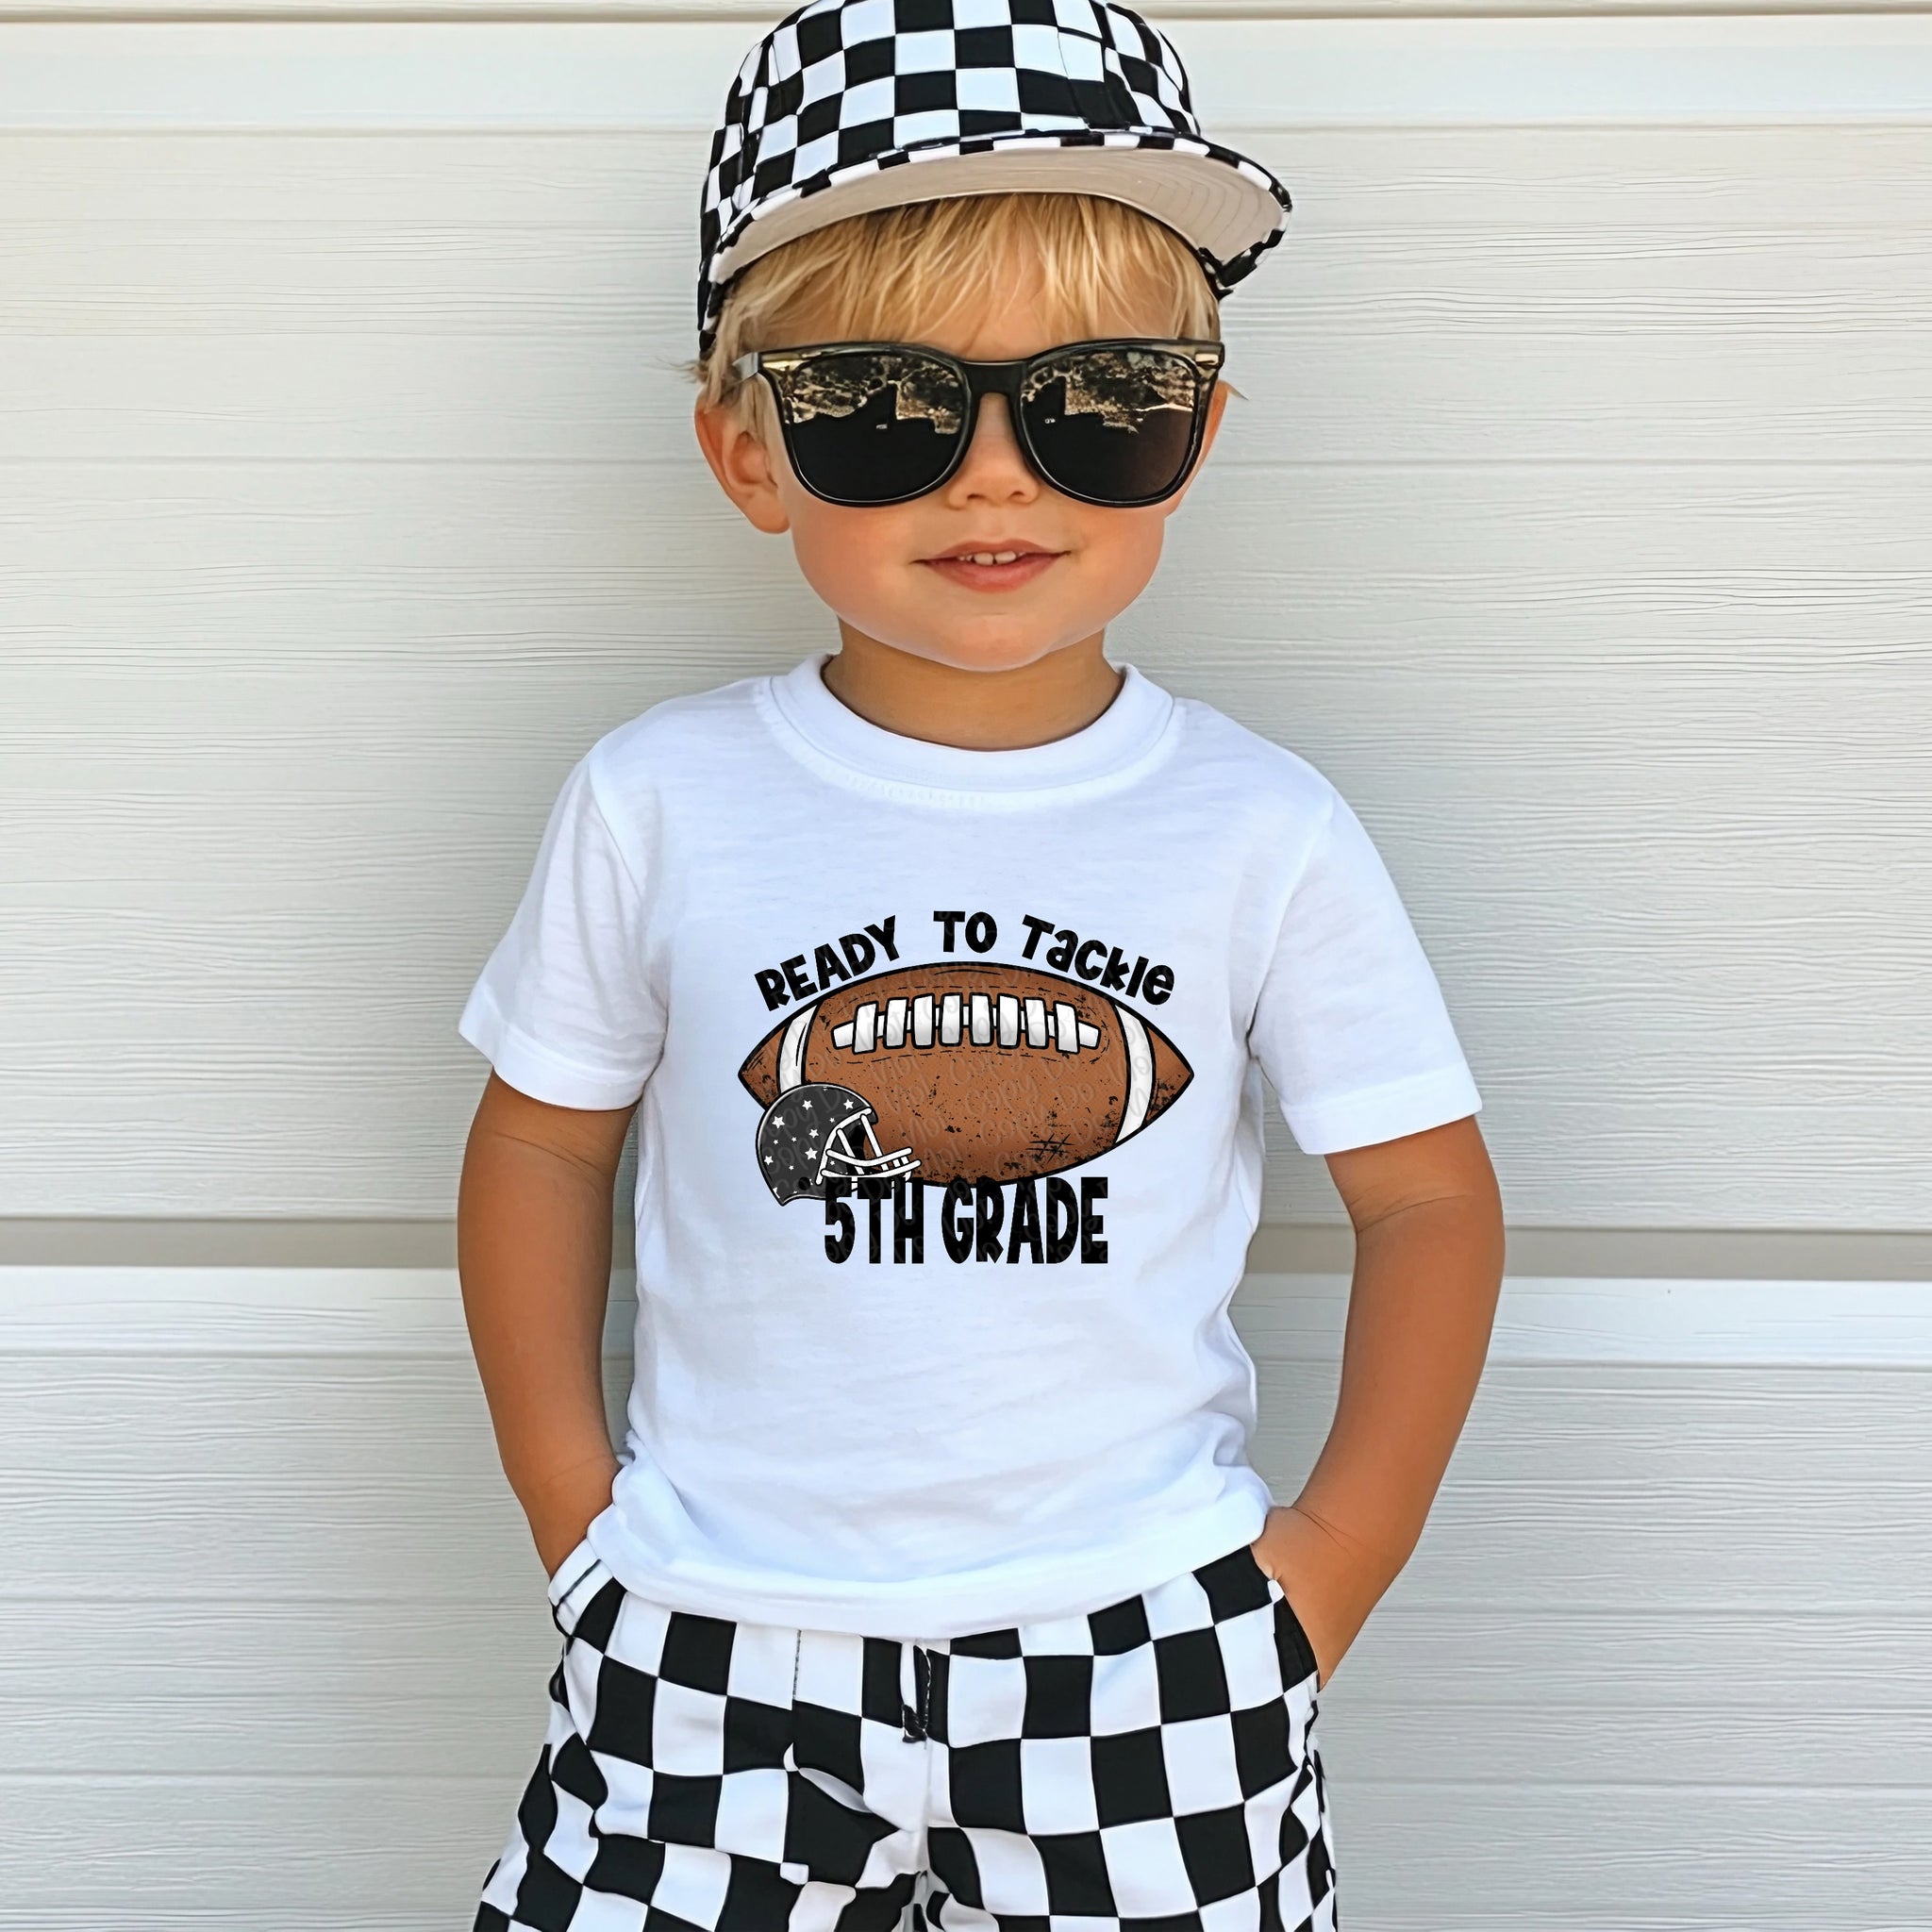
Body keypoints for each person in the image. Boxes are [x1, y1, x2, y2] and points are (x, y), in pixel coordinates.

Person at [456, 4, 1505, 1927]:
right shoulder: (657, 800)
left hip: (1144, 1642)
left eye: (1101, 404)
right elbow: (540, 1139)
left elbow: (1428, 1198)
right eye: (886, 408)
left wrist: (1325, 1571)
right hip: (713, 1635)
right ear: (748, 453)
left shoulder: (1259, 827)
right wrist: (573, 1516)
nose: (999, 478)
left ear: (1193, 442)